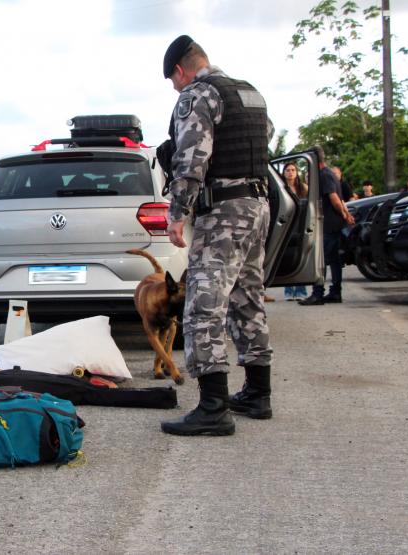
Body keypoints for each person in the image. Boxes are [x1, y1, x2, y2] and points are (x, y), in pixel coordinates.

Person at [157, 35, 274, 437]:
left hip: (223, 211)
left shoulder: (198, 95)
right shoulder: (250, 93)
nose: (176, 89)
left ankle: (213, 407)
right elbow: (266, 137)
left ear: (179, 70)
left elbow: (192, 158)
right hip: (257, 206)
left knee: (202, 306)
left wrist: (177, 213)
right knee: (247, 298)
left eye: (173, 82)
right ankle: (258, 393)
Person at [299, 146, 355, 306]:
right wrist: (346, 215)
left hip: (329, 224)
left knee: (320, 259)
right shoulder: (330, 174)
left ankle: (318, 293)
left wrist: (344, 214)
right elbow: (340, 198)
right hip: (334, 223)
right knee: (334, 259)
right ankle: (335, 292)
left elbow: (334, 198)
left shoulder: (323, 175)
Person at [281, 162, 308, 301]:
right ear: (283, 172)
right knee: (287, 258)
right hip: (286, 226)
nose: (290, 172)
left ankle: (301, 291)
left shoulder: (303, 188)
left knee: (300, 256)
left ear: (297, 172)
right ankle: (288, 291)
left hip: (300, 226)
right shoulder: (281, 188)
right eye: (287, 170)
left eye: (293, 170)